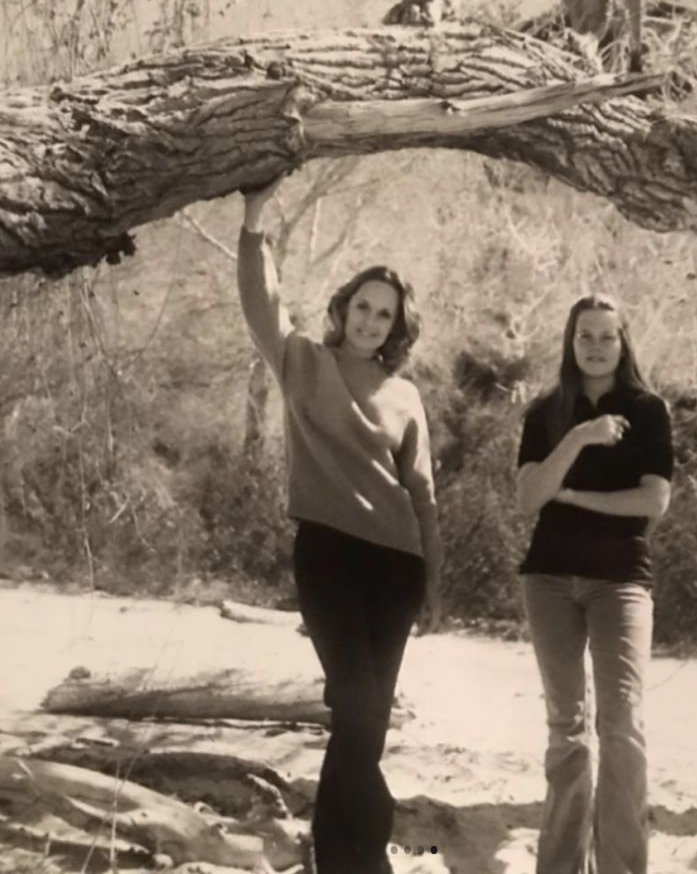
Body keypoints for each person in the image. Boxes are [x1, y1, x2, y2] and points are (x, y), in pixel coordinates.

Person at [237, 178, 443, 874]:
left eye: (384, 315)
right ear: (343, 309)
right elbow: (261, 307)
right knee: (355, 704)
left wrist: (433, 583)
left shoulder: (406, 395)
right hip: (326, 556)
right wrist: (253, 219)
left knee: (368, 717)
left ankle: (352, 857)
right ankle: (353, 850)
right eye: (363, 307)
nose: (371, 322)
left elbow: (422, 494)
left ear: (396, 326)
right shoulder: (304, 363)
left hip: (397, 569)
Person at [516, 293, 673, 874]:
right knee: (567, 729)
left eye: (609, 335)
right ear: (570, 340)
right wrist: (580, 437)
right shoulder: (545, 412)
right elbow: (528, 497)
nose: (597, 346)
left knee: (622, 724)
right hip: (550, 579)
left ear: (624, 340)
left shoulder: (649, 410)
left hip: (622, 582)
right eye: (586, 335)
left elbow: (653, 500)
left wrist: (576, 495)